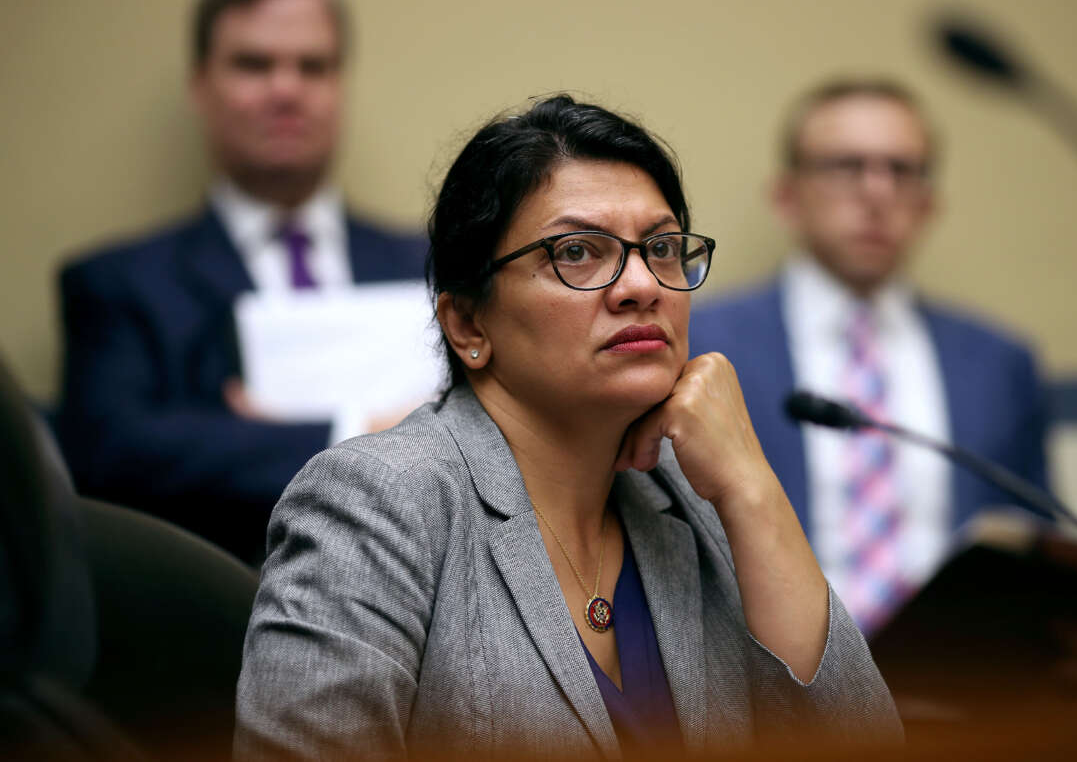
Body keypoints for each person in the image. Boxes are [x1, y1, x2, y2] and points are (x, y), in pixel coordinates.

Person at [234, 95, 901, 759]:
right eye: (578, 251)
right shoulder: (379, 498)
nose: (642, 283)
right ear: (468, 323)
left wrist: (752, 486)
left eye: (663, 247)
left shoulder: (698, 496)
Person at [55, 0, 427, 562]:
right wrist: (362, 433)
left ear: (340, 85)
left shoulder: (434, 266)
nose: (286, 89)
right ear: (201, 84)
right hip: (222, 614)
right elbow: (107, 452)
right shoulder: (117, 284)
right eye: (254, 64)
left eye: (313, 66)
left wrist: (253, 441)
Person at [689, 78, 1050, 636]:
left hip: (966, 697)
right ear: (787, 196)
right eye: (845, 166)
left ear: (929, 202)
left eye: (902, 170)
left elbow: (1035, 551)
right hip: (769, 691)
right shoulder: (703, 344)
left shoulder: (1000, 362)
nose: (877, 193)